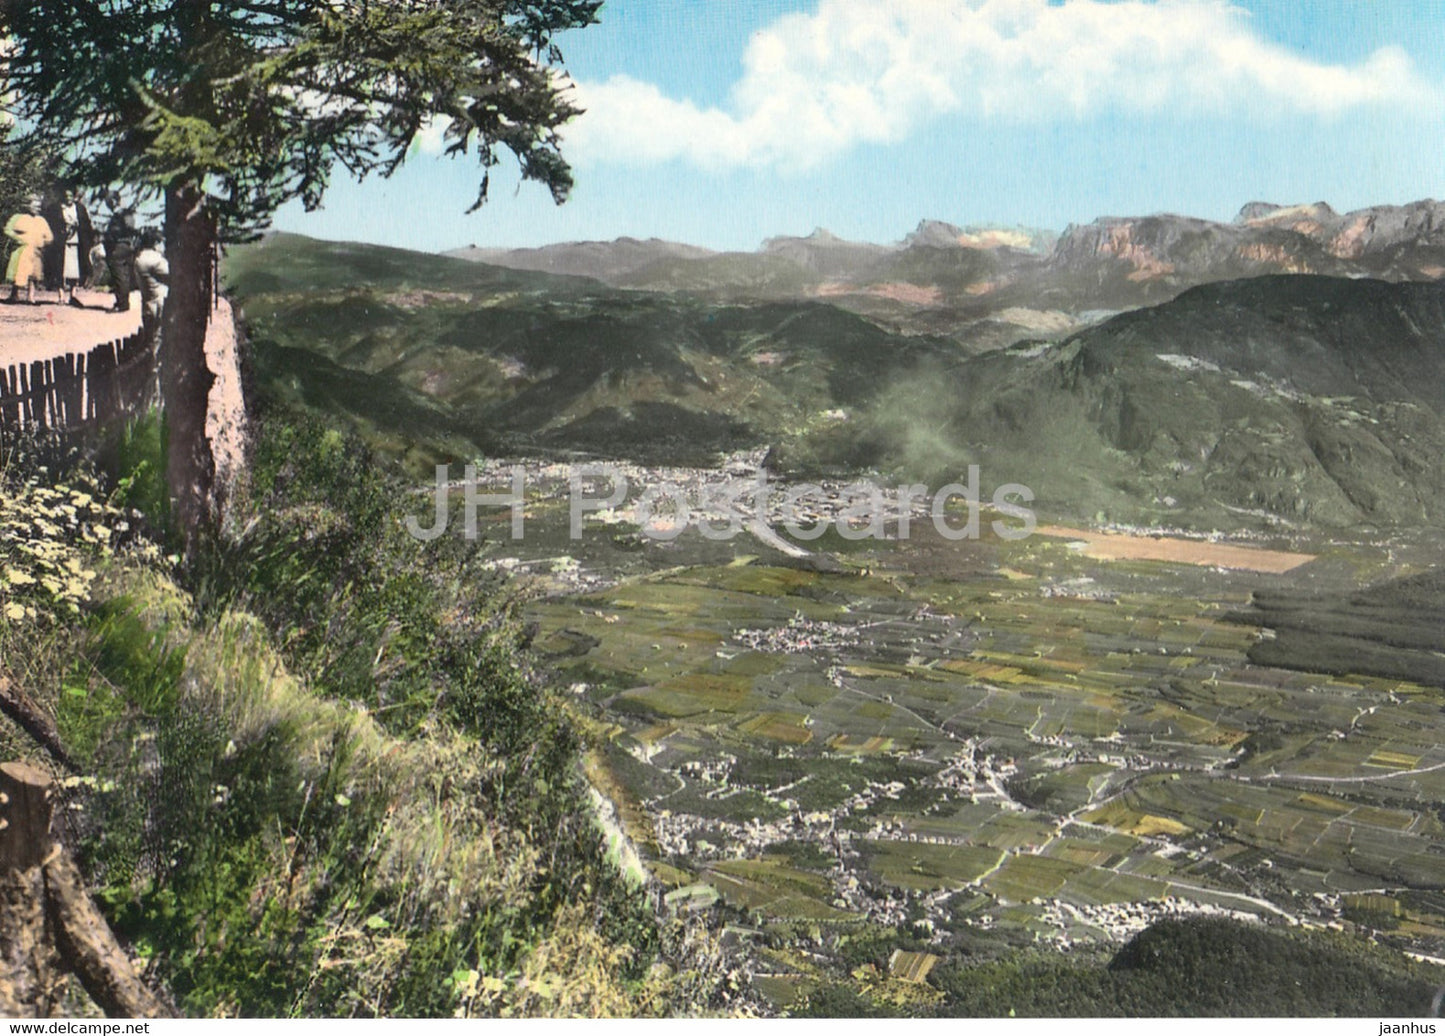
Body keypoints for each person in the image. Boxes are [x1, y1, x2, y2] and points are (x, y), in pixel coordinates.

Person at [42, 185, 94, 306]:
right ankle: (61, 296)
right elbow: (51, 225)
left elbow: (87, 226)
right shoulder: (55, 208)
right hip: (61, 244)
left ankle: (73, 295)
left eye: (71, 195)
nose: (68, 198)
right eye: (66, 196)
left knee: (75, 270)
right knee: (60, 269)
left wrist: (78, 227)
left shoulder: (80, 209)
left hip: (77, 244)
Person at [4, 194, 53, 304]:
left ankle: (31, 296)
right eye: (35, 206)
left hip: (36, 251)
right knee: (19, 272)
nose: (37, 208)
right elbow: (7, 230)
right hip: (22, 250)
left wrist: (44, 243)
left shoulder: (41, 220)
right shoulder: (17, 217)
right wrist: (18, 239)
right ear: (27, 205)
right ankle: (14, 294)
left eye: (39, 207)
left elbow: (49, 236)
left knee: (34, 275)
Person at [101, 192, 138, 312]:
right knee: (124, 275)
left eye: (108, 203)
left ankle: (122, 304)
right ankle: (123, 302)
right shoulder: (127, 213)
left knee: (119, 275)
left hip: (118, 246)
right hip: (127, 245)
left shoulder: (118, 214)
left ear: (112, 202)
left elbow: (117, 231)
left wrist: (108, 237)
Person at [133, 228, 169, 340]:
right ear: (155, 243)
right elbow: (171, 273)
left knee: (150, 338)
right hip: (159, 303)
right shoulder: (154, 259)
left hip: (147, 303)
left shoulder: (139, 257)